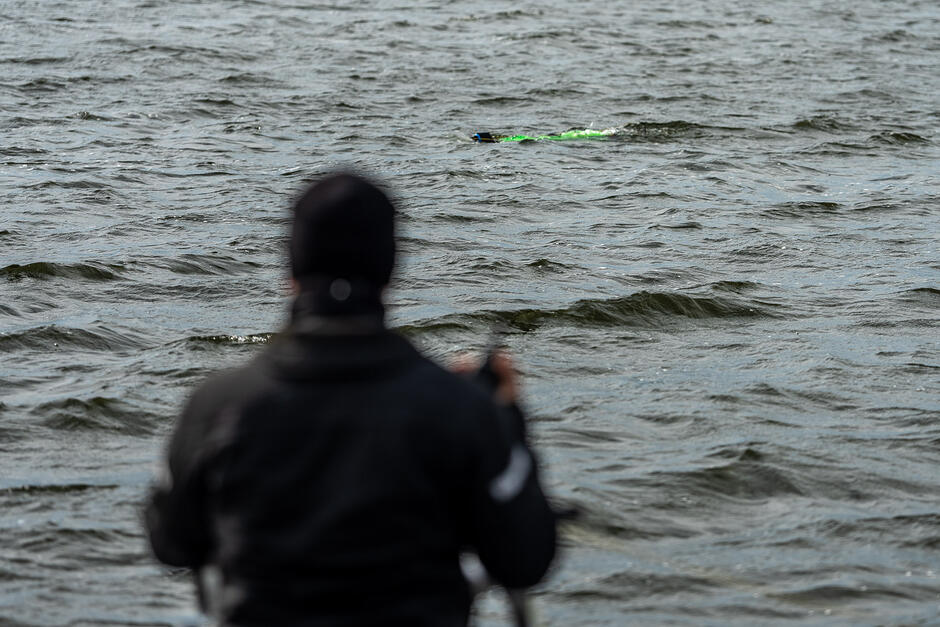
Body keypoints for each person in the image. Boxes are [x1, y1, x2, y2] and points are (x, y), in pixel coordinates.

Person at [145, 173, 557, 626]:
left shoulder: (218, 404)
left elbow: (171, 544)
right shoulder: (459, 409)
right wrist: (505, 419)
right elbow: (525, 559)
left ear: (290, 272)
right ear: (390, 270)